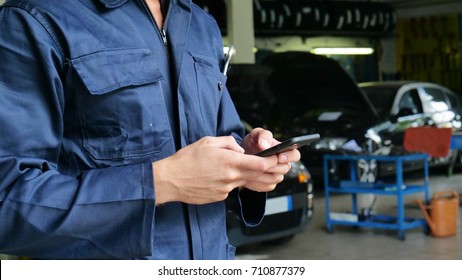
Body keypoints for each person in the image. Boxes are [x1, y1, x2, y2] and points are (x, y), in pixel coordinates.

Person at [0, 0, 300, 259]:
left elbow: (221, 139)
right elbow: (8, 200)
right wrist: (161, 183)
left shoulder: (200, 24)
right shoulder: (37, 18)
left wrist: (247, 163)